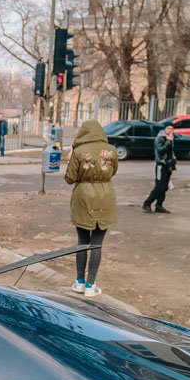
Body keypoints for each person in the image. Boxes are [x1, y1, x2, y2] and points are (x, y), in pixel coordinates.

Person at [64, 120, 118, 298]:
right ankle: (90, 285)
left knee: (82, 241)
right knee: (97, 244)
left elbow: (69, 178)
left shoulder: (79, 151)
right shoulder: (111, 150)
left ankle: (79, 282)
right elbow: (113, 171)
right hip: (105, 197)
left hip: (83, 197)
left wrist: (70, 158)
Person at [142, 124, 177, 214]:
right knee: (159, 187)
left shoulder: (171, 138)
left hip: (168, 165)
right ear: (164, 129)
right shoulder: (160, 138)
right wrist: (168, 141)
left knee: (165, 187)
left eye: (172, 128)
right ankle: (147, 203)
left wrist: (172, 166)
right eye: (168, 128)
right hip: (161, 165)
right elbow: (160, 150)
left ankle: (159, 205)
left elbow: (171, 153)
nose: (170, 130)